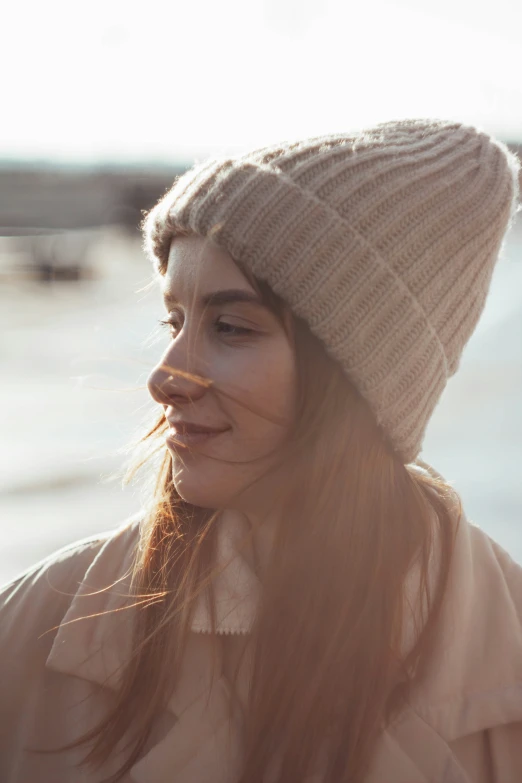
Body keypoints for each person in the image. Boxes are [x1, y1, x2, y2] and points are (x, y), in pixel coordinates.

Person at [1, 119, 521, 783]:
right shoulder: (37, 629)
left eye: (230, 327)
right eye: (174, 320)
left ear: (358, 380)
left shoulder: (502, 663)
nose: (163, 377)